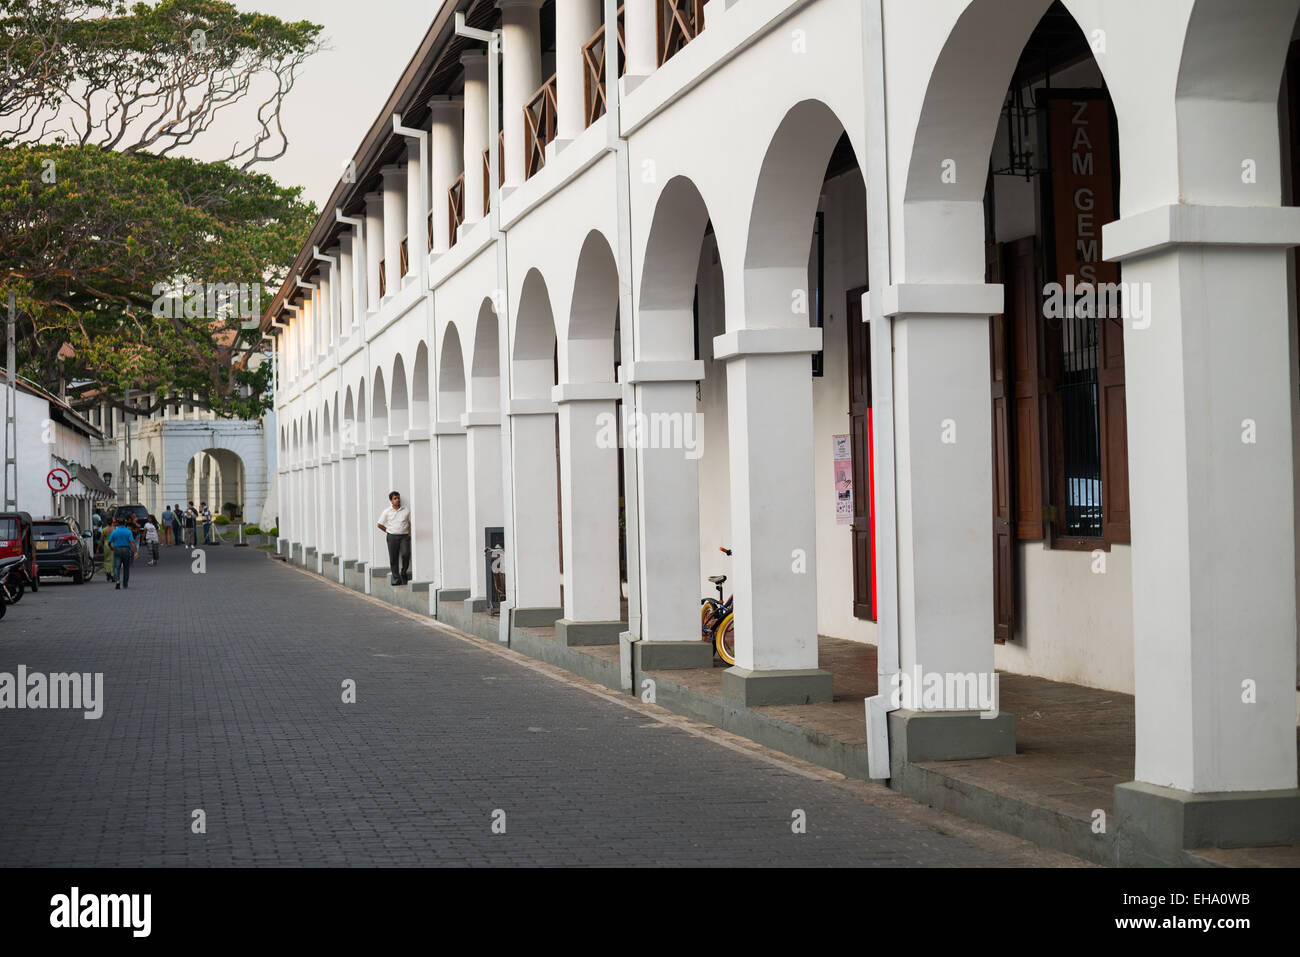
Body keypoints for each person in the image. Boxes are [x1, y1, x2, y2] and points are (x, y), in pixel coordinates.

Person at [376, 490, 412, 586]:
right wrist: (388, 531)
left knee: (406, 554)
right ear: (391, 501)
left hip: (404, 536)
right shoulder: (387, 512)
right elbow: (379, 524)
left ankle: (403, 573)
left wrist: (410, 533)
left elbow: (411, 522)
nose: (397, 500)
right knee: (393, 558)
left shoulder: (406, 510)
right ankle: (396, 579)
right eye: (395, 498)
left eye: (398, 498)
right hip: (392, 537)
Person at [108, 518, 137, 590]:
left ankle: (117, 581)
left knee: (116, 567)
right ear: (125, 523)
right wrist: (135, 551)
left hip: (117, 549)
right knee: (126, 567)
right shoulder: (128, 531)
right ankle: (125, 583)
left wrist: (111, 548)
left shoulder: (114, 531)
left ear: (117, 523)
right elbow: (132, 542)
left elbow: (109, 542)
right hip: (126, 549)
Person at [101, 516, 117, 583]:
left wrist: (98, 549)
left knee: (106, 559)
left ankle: (107, 572)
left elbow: (101, 540)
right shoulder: (114, 529)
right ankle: (112, 574)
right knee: (113, 560)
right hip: (113, 544)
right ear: (112, 522)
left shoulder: (104, 529)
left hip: (106, 544)